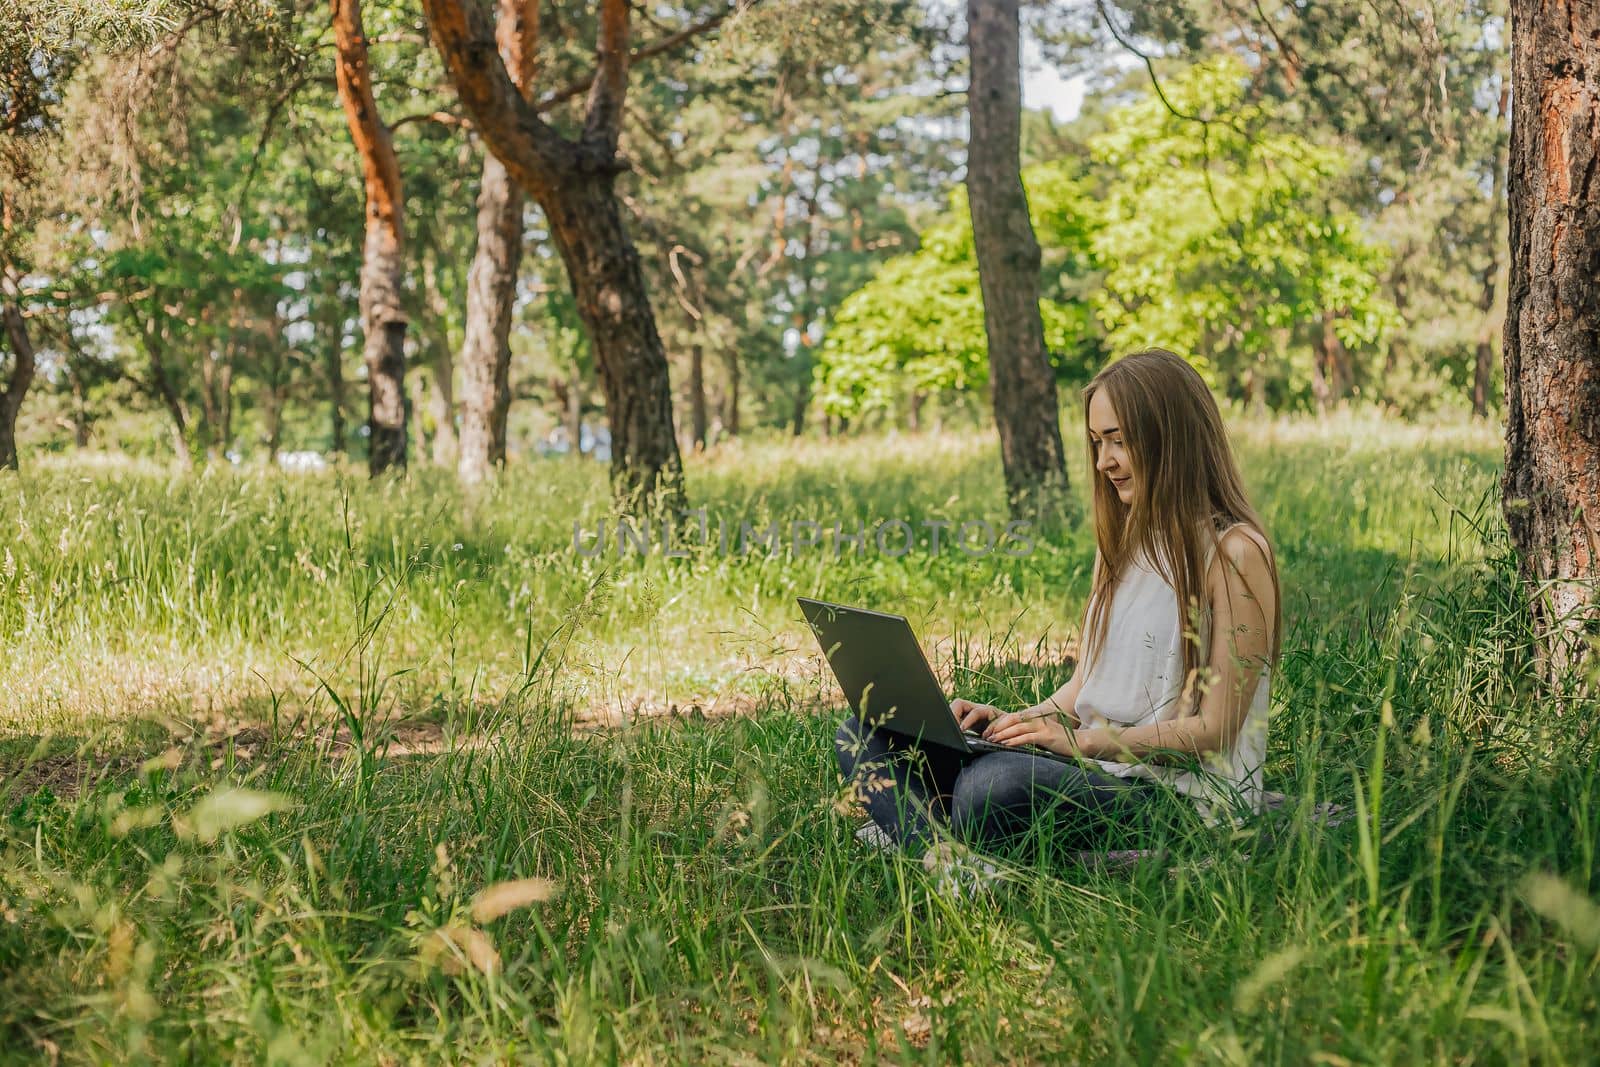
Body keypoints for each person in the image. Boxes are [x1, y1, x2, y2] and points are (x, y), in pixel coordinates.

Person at [835, 348, 1282, 861]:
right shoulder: (1121, 545)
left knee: (992, 788)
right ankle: (949, 862)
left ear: (1171, 436)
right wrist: (1013, 723)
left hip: (1178, 801)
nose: (1103, 461)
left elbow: (1215, 728)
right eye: (1097, 442)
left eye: (1119, 439)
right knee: (866, 730)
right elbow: (1083, 689)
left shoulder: (1235, 553)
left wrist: (1084, 744)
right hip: (1094, 771)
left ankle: (922, 835)